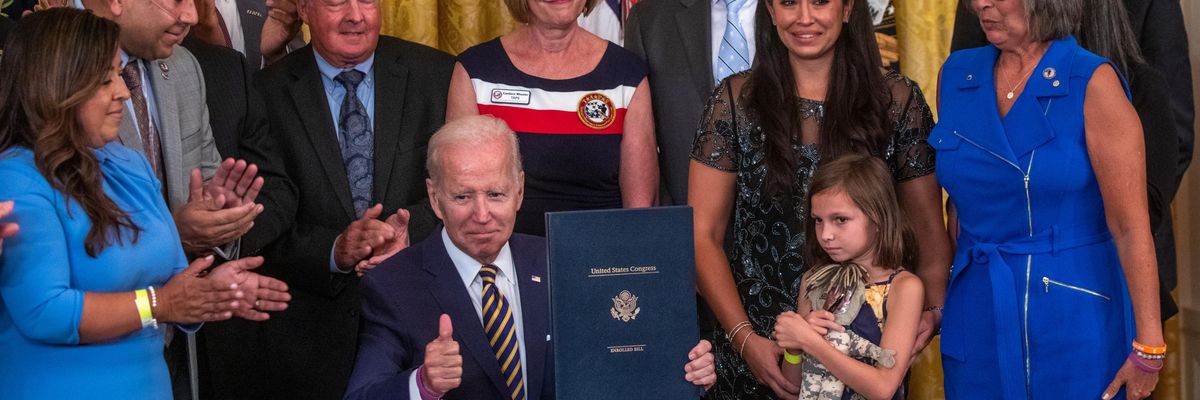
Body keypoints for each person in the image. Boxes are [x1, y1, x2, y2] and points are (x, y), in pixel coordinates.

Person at [0, 9, 290, 399]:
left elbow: (172, 279)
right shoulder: (15, 176)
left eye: (119, 74)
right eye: (106, 80)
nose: (122, 91)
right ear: (58, 87)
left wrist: (210, 292)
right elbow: (46, 312)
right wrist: (159, 303)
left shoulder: (128, 164)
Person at [344, 115, 716, 400]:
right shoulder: (393, 285)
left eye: (496, 194)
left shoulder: (565, 262)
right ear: (435, 196)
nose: (482, 213)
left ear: (519, 191)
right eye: (462, 197)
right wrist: (423, 384)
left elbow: (622, 359)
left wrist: (682, 367)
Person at [687, 0, 951, 398]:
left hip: (865, 354)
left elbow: (930, 233)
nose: (804, 17)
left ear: (847, 9)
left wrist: (930, 315)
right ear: (771, 12)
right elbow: (701, 234)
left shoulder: (896, 101)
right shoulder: (736, 101)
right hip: (759, 348)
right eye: (789, 3)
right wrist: (744, 339)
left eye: (820, 2)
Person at [932, 0, 1164, 398]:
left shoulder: (1091, 81)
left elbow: (1130, 226)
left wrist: (1149, 347)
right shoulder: (956, 74)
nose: (979, 4)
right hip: (977, 309)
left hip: (1074, 315)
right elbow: (959, 203)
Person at [240, 0, 454, 396]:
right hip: (309, 339)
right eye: (337, 2)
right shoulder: (263, 91)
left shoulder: (438, 75)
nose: (356, 15)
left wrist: (410, 232)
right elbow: (262, 218)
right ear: (303, 10)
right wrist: (335, 250)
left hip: (422, 326)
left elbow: (459, 188)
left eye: (368, 1)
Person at [950, 0, 1193, 324]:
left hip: (1120, 269)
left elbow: (1174, 136)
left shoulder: (1124, 82)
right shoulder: (969, 60)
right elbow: (969, 125)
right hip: (996, 269)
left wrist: (1091, 233)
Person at [446, 0, 658, 237]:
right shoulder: (475, 70)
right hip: (501, 259)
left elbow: (639, 213)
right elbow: (460, 195)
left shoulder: (626, 73)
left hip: (600, 259)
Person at [773, 154, 923, 400]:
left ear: (878, 217)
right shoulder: (814, 280)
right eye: (818, 221)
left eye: (840, 220)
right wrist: (793, 347)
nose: (826, 235)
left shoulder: (904, 287)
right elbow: (791, 387)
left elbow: (884, 388)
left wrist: (811, 342)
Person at [624, 0, 759, 206]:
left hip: (794, 225)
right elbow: (640, 146)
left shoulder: (806, 16)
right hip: (683, 222)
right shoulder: (650, 18)